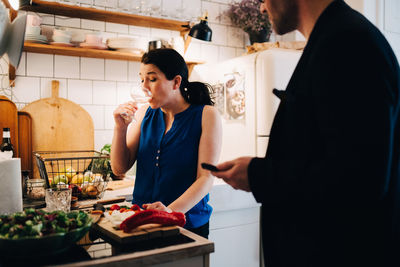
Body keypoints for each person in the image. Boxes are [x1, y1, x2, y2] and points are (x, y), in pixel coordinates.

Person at [212, 0, 400, 266]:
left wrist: (258, 174)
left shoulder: (348, 43)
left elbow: (359, 180)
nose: (263, 9)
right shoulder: (333, 39)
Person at [111, 48, 222, 238]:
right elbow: (119, 168)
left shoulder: (206, 115)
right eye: (142, 79)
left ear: (176, 82)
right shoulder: (144, 112)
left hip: (186, 224)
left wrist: (168, 212)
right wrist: (120, 128)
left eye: (152, 79)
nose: (144, 86)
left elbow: (205, 178)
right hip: (141, 221)